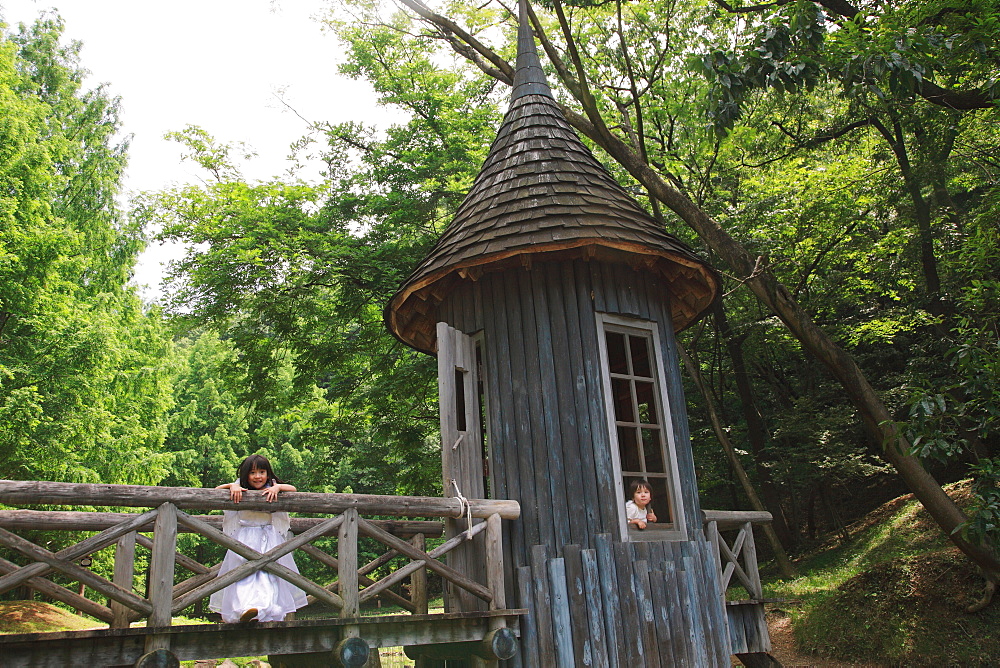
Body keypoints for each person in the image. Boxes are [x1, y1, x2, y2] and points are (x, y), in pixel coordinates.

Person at [209, 454, 308, 623]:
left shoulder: (273, 486)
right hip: (245, 538)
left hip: (268, 538)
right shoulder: (239, 487)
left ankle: (265, 611)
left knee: (268, 575)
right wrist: (232, 485)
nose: (258, 477)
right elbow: (215, 492)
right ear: (246, 474)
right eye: (253, 472)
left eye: (262, 472)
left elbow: (293, 489)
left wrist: (278, 488)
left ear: (268, 473)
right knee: (243, 575)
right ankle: (244, 610)